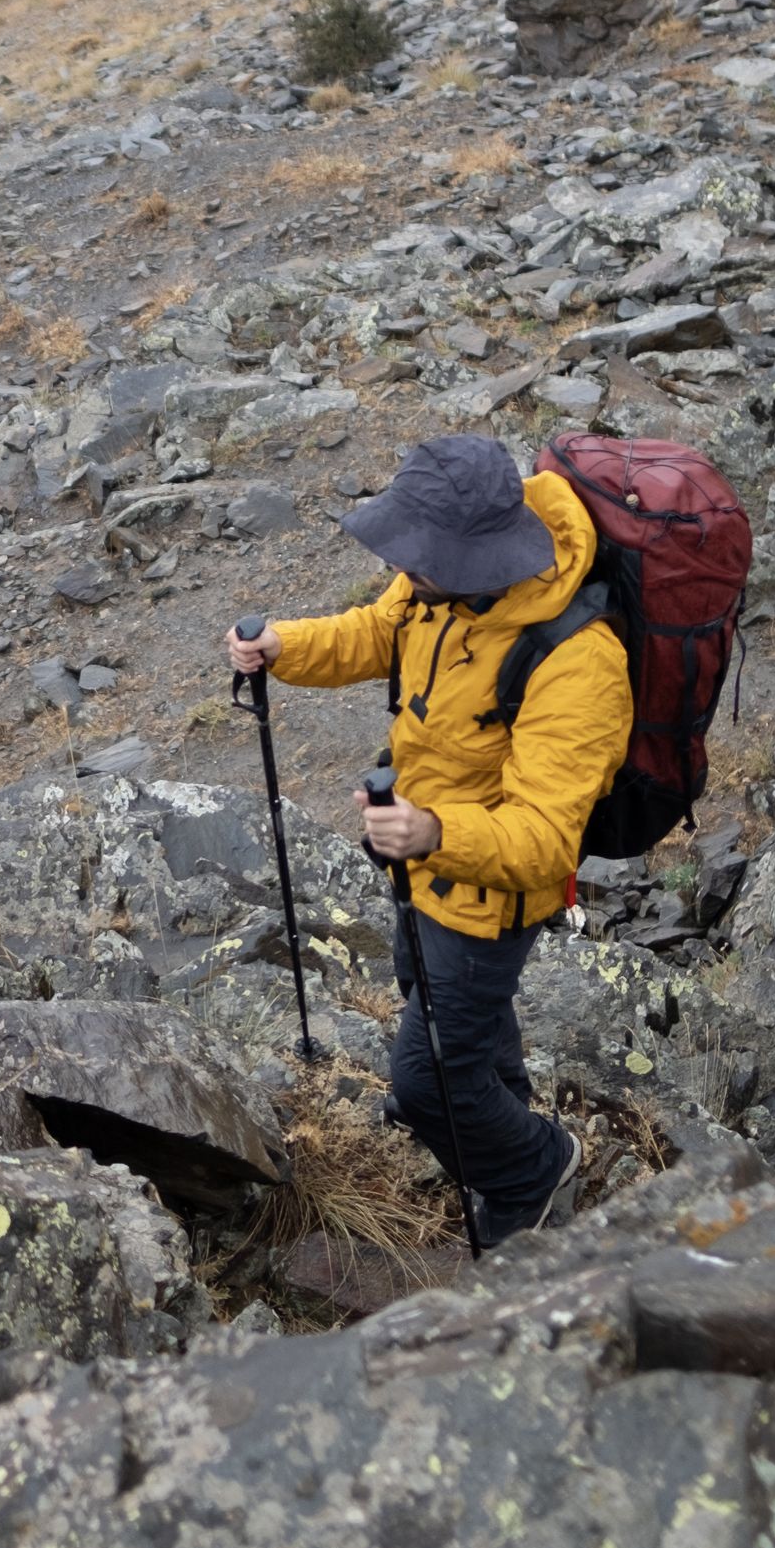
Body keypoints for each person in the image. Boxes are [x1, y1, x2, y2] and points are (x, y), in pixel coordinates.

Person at [226, 433, 632, 1249]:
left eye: (422, 554)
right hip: (424, 864)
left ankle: (534, 1169)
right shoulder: (437, 587)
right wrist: (286, 645)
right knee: (437, 1004)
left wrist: (435, 831)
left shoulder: (579, 662)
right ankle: (493, 1106)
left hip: (487, 898)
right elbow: (380, 634)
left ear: (479, 554)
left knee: (425, 1076)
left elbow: (548, 839)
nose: (406, 568)